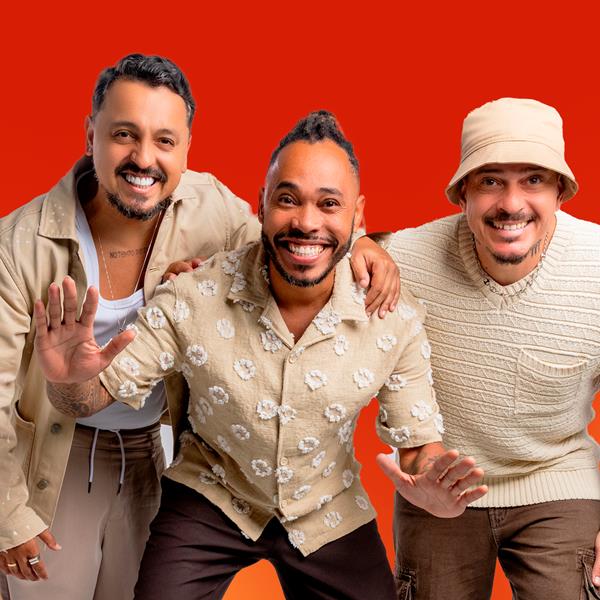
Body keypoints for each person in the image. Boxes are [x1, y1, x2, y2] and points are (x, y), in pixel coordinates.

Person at [34, 111, 487, 600]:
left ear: (357, 217)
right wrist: (67, 381)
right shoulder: (191, 296)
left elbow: (417, 446)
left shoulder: (393, 317)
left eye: (328, 204)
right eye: (288, 199)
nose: (306, 222)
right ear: (262, 205)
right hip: (210, 494)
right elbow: (91, 396)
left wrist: (435, 486)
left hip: (328, 507)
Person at [0, 55, 397, 600]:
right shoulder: (19, 244)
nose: (144, 158)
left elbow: (295, 240)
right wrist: (9, 515)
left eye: (164, 140)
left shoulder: (213, 209)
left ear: (187, 149)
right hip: (55, 453)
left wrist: (364, 242)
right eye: (123, 135)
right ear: (91, 135)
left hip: (150, 453)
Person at [388, 98, 600, 599]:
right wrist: (418, 465)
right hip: (439, 482)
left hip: (558, 477)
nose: (511, 204)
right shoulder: (403, 260)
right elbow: (325, 249)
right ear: (462, 192)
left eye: (533, 180)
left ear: (560, 192)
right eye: (490, 181)